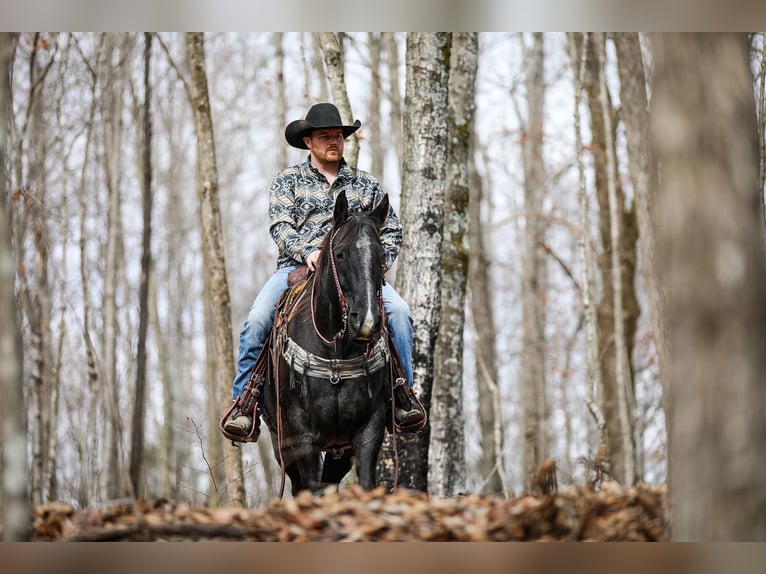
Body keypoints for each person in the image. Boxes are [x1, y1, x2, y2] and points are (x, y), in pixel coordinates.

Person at [224, 102, 425, 439]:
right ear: (309, 142)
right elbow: (280, 225)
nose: (334, 142)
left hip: (357, 276)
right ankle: (246, 402)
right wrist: (307, 253)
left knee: (401, 313)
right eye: (325, 137)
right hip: (298, 268)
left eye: (338, 136)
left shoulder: (366, 185)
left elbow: (391, 231)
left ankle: (402, 396)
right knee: (259, 318)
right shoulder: (287, 181)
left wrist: (373, 267)